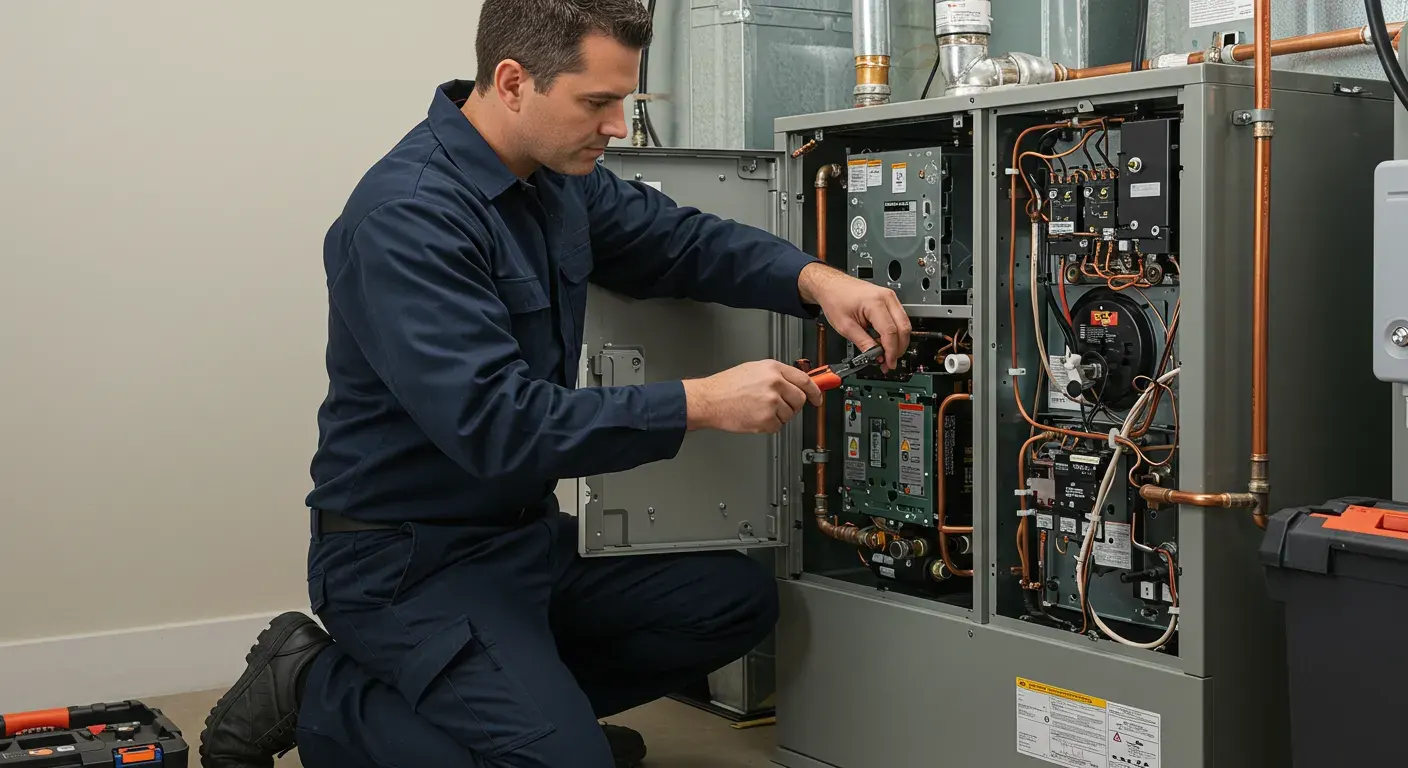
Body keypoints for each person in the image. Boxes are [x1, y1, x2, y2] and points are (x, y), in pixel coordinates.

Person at [197, 1, 909, 766]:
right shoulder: (410, 216)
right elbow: (497, 424)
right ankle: (316, 687)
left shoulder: (556, 180)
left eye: (624, 101)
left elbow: (679, 242)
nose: (618, 128)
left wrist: (816, 280)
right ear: (513, 82)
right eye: (597, 102)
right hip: (406, 564)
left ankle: (528, 723)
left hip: (523, 540)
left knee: (734, 603)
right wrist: (703, 402)